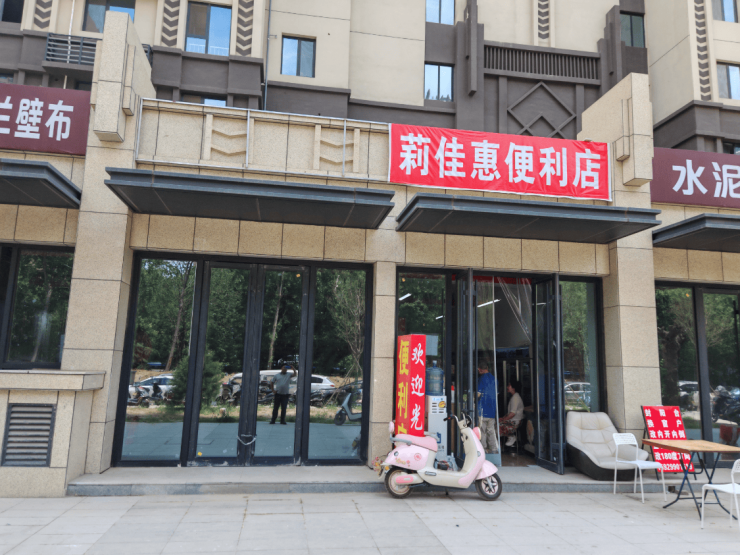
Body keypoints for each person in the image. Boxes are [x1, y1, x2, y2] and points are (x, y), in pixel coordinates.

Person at [476, 362, 498, 454]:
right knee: (491, 430)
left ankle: (483, 449)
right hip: (492, 410)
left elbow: (478, 394)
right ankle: (494, 449)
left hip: (482, 409)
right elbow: (496, 395)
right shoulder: (494, 379)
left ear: (480, 369)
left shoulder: (481, 379)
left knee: (482, 431)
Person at [499, 380, 524, 447]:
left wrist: (503, 420)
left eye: (509, 385)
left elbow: (512, 414)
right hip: (514, 421)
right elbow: (510, 413)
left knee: (496, 426)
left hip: (514, 423)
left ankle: (510, 437)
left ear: (513, 388)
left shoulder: (515, 398)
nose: (507, 387)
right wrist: (503, 418)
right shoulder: (515, 397)